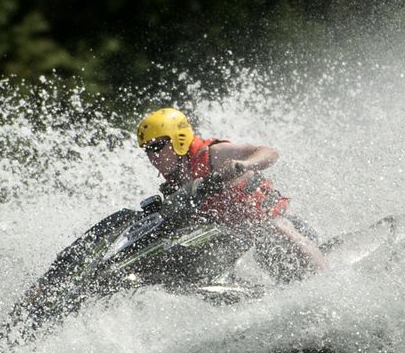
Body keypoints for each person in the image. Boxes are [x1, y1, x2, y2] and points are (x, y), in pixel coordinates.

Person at [135, 107, 328, 282]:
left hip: (284, 228)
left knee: (275, 226)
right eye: (148, 151)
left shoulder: (214, 154)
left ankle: (326, 280)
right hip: (248, 240)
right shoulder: (175, 183)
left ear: (179, 139)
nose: (153, 156)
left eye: (157, 147)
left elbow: (269, 152)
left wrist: (243, 165)